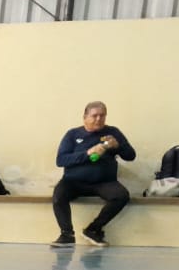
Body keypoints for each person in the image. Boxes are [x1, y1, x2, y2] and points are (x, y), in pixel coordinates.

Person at [51, 101, 136, 248]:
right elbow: (61, 160)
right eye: (94, 116)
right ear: (85, 117)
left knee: (121, 196)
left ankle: (93, 229)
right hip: (74, 181)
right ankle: (66, 235)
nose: (98, 119)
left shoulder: (113, 132)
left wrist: (119, 146)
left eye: (102, 116)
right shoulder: (73, 134)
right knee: (59, 195)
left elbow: (131, 156)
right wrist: (87, 153)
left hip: (104, 182)